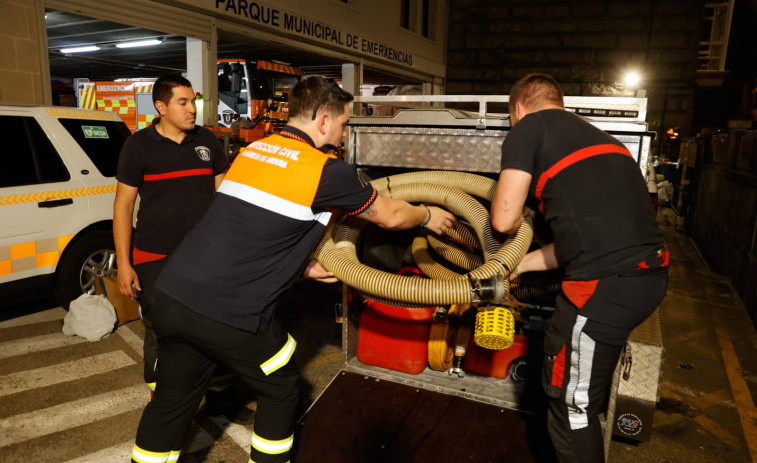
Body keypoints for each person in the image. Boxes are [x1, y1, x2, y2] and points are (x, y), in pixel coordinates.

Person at [130, 76, 456, 463]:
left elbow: (252, 232)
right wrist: (428, 214)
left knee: (170, 401)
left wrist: (302, 267)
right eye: (343, 123)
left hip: (173, 296)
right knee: (282, 387)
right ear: (322, 121)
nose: (344, 132)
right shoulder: (326, 170)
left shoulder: (253, 152)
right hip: (229, 313)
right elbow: (390, 214)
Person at [491, 73, 668, 463]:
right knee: (584, 395)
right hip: (648, 278)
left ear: (518, 109)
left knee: (571, 406)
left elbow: (503, 220)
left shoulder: (529, 128)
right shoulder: (606, 141)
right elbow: (580, 242)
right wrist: (518, 265)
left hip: (603, 287)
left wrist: (506, 215)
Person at [113, 74, 246, 418]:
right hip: (155, 255)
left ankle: (220, 396)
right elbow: (123, 208)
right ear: (161, 107)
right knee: (163, 328)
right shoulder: (138, 146)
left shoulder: (208, 142)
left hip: (204, 255)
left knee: (213, 324)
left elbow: (226, 197)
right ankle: (163, 401)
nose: (192, 109)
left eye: (194, 102)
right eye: (183, 103)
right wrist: (125, 264)